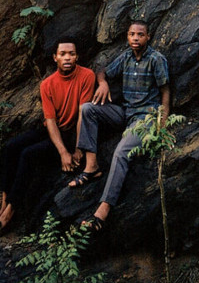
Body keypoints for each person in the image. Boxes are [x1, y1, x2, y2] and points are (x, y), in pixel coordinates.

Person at [70, 19, 171, 232]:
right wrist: (103, 83)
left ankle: (103, 210)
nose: (136, 38)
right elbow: (102, 71)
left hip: (145, 118)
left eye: (140, 35)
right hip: (125, 113)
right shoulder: (125, 57)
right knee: (87, 108)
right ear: (127, 36)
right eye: (132, 34)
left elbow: (165, 91)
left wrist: (162, 124)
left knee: (121, 152)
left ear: (148, 37)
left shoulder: (156, 59)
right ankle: (91, 167)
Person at [0, 39, 96, 230]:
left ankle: (9, 213)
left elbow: (83, 115)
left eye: (71, 54)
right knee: (11, 147)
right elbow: (50, 121)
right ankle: (3, 202)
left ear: (77, 57)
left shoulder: (87, 76)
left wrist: (77, 149)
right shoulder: (47, 84)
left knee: (28, 154)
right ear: (55, 57)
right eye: (62, 54)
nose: (67, 58)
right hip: (52, 128)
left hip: (71, 132)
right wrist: (62, 153)